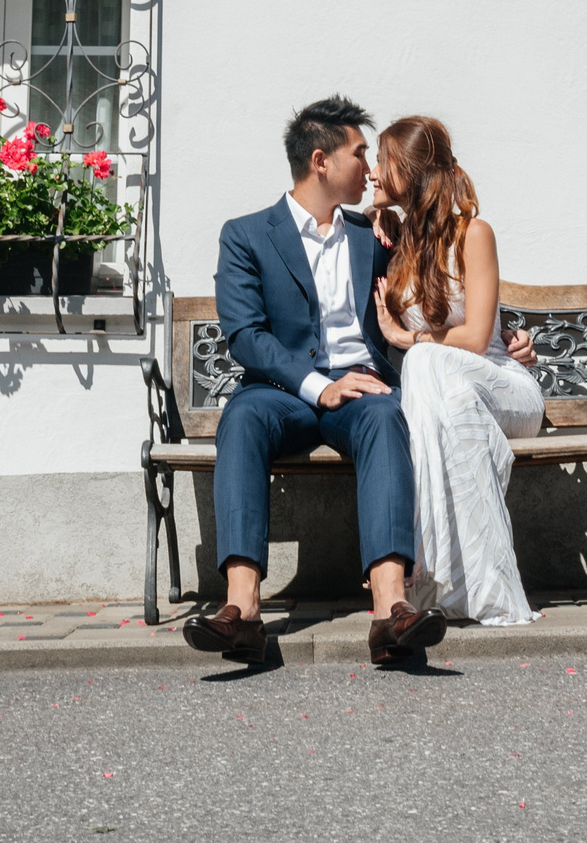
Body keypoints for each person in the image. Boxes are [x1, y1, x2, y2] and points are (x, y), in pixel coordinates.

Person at [182, 97, 532, 667]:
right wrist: (317, 386)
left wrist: (508, 338)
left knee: (384, 416)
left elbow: (441, 290)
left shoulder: (375, 236)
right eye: (359, 152)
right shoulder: (246, 235)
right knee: (240, 418)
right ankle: (242, 611)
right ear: (321, 161)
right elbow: (245, 336)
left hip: (363, 388)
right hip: (282, 393)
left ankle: (392, 611)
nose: (369, 167)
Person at [372, 115, 546, 627]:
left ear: (412, 170)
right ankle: (468, 582)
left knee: (425, 361)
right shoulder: (399, 242)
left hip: (505, 389)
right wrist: (376, 217)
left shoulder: (474, 234)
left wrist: (410, 339)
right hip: (454, 402)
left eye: (383, 161)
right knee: (445, 393)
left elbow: (473, 339)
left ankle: (430, 569)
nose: (374, 173)